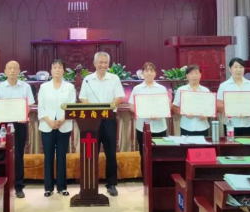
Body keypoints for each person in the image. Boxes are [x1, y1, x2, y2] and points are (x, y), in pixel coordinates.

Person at [79, 52, 125, 197]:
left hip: (109, 118)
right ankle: (90, 183)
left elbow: (119, 98)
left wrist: (108, 107)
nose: (103, 65)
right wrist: (94, 110)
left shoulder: (114, 78)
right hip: (91, 120)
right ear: (94, 64)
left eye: (106, 62)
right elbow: (83, 98)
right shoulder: (87, 79)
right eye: (100, 62)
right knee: (91, 153)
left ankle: (111, 184)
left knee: (111, 152)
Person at [0, 61, 35, 199]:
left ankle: (18, 186)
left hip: (20, 124)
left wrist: (24, 114)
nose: (12, 71)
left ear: (19, 71)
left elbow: (29, 105)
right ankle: (2, 186)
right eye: (9, 68)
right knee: (2, 154)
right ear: (5, 71)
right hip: (3, 125)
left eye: (14, 68)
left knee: (18, 154)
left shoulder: (26, 86)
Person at [37, 59, 76, 197]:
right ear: (51, 70)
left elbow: (71, 106)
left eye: (60, 67)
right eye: (55, 67)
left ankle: (62, 187)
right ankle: (48, 188)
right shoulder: (44, 87)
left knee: (61, 157)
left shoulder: (69, 87)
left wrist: (61, 120)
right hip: (47, 126)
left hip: (63, 125)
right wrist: (49, 121)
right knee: (48, 157)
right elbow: (40, 106)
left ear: (63, 70)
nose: (57, 70)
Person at [129, 62, 168, 174]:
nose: (149, 73)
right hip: (142, 127)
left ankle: (158, 178)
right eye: (146, 71)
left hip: (159, 127)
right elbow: (131, 106)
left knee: (159, 153)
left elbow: (166, 106)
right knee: (144, 153)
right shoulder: (137, 89)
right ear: (142, 73)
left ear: (155, 73)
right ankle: (146, 179)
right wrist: (143, 112)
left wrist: (159, 114)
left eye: (151, 70)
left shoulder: (162, 89)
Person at [217, 58, 250, 136]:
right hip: (231, 123)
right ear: (230, 69)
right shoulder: (224, 86)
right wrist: (235, 111)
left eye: (241, 67)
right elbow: (219, 105)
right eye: (235, 67)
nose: (238, 70)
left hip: (248, 123)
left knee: (248, 147)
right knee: (231, 147)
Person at [172, 64, 211, 136]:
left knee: (203, 147)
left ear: (200, 75)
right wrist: (184, 112)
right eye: (191, 74)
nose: (194, 76)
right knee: (186, 147)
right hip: (186, 126)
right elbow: (174, 107)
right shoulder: (181, 90)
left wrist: (207, 115)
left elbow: (210, 108)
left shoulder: (206, 90)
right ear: (187, 76)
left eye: (196, 73)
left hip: (203, 126)